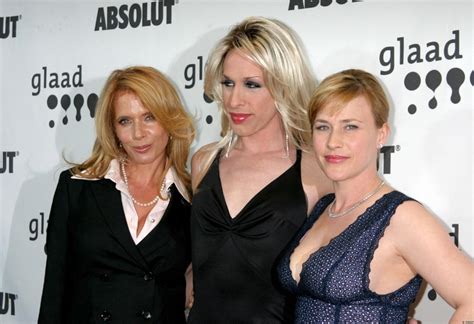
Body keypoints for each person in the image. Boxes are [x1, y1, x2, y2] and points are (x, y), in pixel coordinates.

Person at [277, 69, 474, 323]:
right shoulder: (323, 207)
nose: (333, 141)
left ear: (381, 134)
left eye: (350, 127)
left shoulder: (402, 217)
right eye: (323, 127)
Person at [189, 17, 332, 323]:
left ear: (283, 85)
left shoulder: (313, 167)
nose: (234, 100)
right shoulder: (203, 162)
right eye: (227, 83)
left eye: (252, 85)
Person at [38, 66, 195, 323]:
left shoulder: (192, 199)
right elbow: (54, 290)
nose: (138, 134)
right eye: (125, 121)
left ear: (170, 118)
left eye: (149, 117)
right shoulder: (77, 187)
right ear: (113, 130)